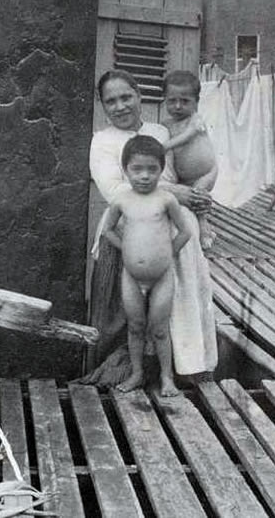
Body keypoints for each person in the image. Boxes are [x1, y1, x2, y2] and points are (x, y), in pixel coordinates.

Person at [80, 70, 218, 388]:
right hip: (131, 233)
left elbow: (186, 169)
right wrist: (176, 192)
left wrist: (200, 195)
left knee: (179, 299)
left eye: (126, 97)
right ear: (103, 106)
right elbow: (114, 190)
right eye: (111, 101)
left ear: (139, 96)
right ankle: (132, 370)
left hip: (172, 230)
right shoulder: (102, 142)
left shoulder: (159, 130)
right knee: (132, 316)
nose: (120, 106)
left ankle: (184, 368)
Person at [102, 136, 192, 396]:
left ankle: (167, 377)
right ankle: (137, 373)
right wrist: (126, 249)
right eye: (137, 169)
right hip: (131, 276)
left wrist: (166, 254)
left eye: (152, 169)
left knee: (160, 329)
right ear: (125, 170)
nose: (144, 176)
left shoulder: (166, 200)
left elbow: (185, 232)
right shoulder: (122, 200)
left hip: (162, 276)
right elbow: (107, 230)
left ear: (161, 170)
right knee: (136, 326)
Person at [161, 70, 219, 249]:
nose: (178, 106)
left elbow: (187, 137)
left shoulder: (196, 120)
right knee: (189, 202)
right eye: (172, 101)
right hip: (183, 177)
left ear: (197, 102)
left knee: (198, 199)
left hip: (206, 172)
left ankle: (204, 230)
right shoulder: (165, 125)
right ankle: (200, 230)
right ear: (165, 99)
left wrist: (164, 147)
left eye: (185, 101)